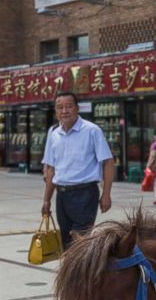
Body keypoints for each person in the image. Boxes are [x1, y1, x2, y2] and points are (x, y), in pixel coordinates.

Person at [41, 91, 113, 248]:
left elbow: (107, 162)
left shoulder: (92, 131)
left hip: (85, 194)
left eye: (69, 106)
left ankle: (83, 271)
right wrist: (46, 200)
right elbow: (51, 169)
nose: (64, 111)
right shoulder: (53, 133)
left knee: (79, 241)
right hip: (62, 195)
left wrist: (106, 194)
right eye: (60, 107)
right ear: (55, 111)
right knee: (66, 242)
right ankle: (72, 271)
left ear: (77, 108)